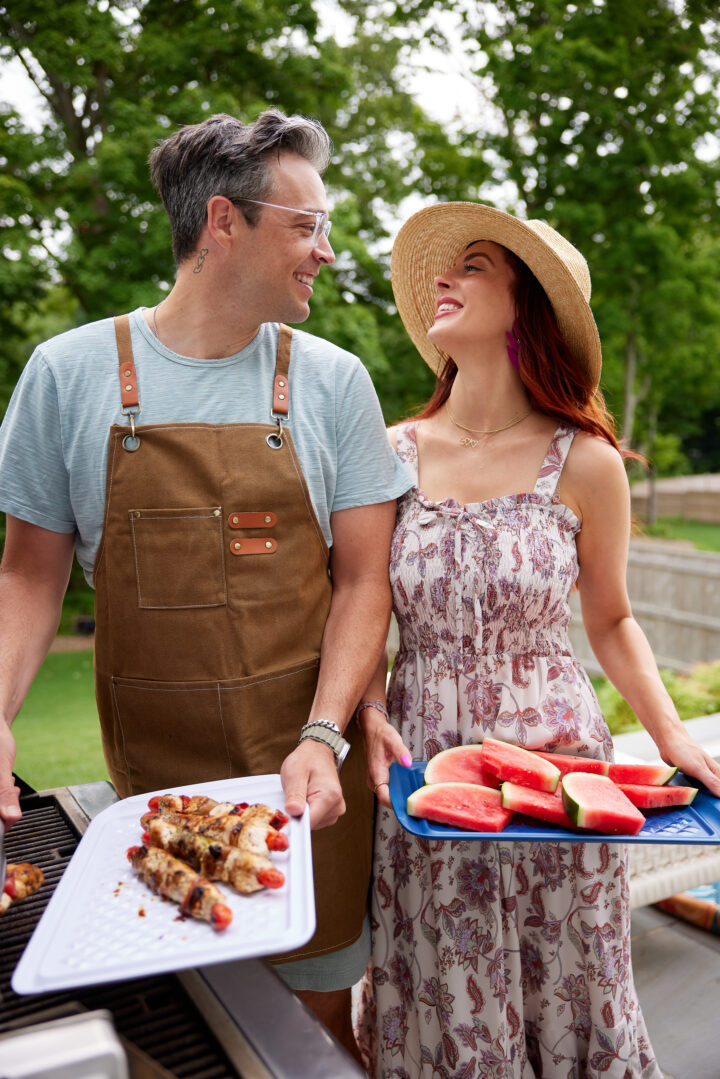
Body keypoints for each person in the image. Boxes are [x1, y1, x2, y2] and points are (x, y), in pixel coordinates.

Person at [0, 109, 411, 1059]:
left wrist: (322, 732)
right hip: (153, 796)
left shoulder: (334, 382)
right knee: (182, 1027)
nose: (327, 251)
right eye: (307, 226)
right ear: (223, 223)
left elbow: (363, 582)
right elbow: (29, 572)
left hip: (312, 781)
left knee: (312, 1034)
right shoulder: (66, 375)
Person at [354, 201, 720, 1078]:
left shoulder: (585, 460)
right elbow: (360, 599)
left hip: (560, 772)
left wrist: (672, 736)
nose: (444, 278)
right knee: (450, 980)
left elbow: (613, 618)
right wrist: (367, 708)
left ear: (529, 307)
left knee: (573, 979)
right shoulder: (389, 451)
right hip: (422, 771)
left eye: (472, 265)